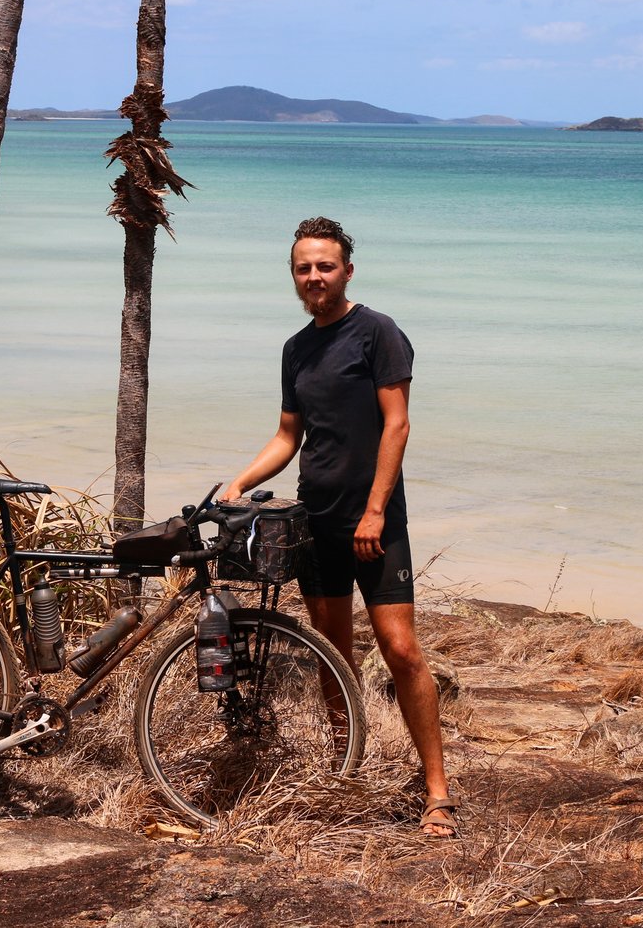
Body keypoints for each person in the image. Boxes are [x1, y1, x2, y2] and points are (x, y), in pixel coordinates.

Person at [222, 216, 457, 838]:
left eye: (325, 266)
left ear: (347, 270)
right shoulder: (296, 348)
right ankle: (344, 766)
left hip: (377, 520)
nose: (315, 277)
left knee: (401, 651)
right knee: (333, 654)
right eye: (304, 268)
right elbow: (288, 436)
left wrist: (376, 508)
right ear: (294, 276)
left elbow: (397, 424)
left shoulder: (378, 333)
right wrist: (241, 481)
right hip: (317, 522)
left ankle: (437, 793)